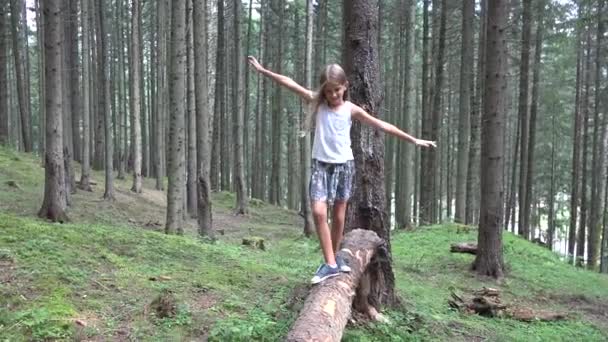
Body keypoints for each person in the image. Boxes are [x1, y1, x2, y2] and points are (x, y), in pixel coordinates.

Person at [247, 56, 436, 284]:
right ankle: (329, 264)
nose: (333, 95)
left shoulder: (350, 109)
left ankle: (333, 259)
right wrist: (263, 71)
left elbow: (382, 125)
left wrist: (413, 140)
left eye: (336, 90)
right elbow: (289, 83)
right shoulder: (316, 101)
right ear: (323, 91)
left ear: (344, 86)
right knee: (318, 212)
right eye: (328, 92)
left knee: (338, 216)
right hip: (321, 165)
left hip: (344, 166)